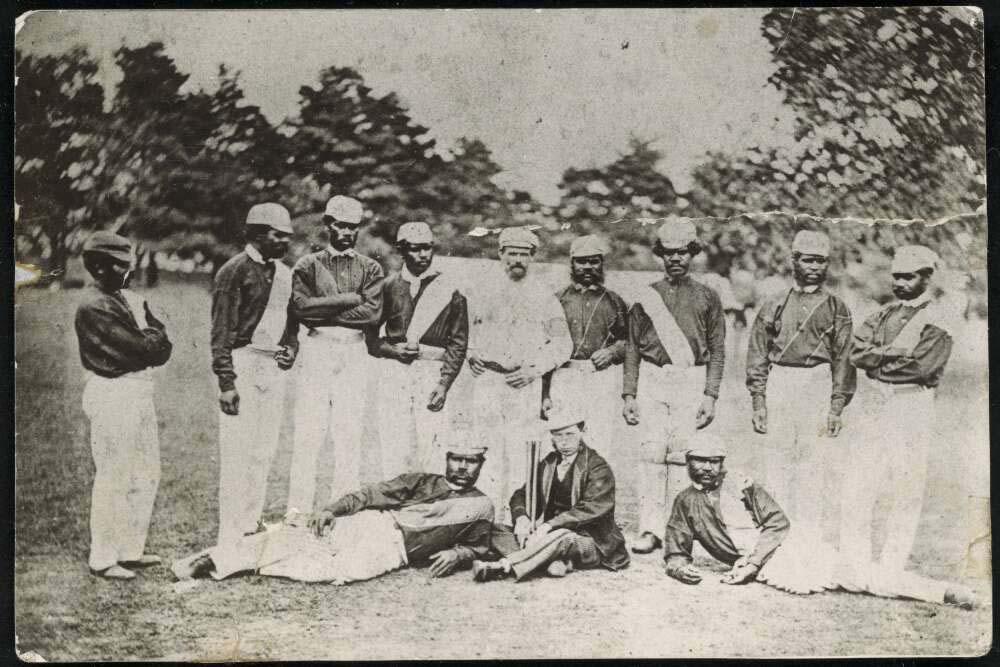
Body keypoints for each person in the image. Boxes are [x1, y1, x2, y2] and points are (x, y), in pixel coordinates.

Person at [663, 435, 976, 609]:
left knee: (858, 575)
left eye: (713, 461)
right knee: (855, 579)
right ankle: (939, 591)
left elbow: (778, 523)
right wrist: (679, 567)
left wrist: (752, 563)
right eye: (699, 461)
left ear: (722, 463)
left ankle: (941, 592)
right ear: (687, 463)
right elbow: (676, 546)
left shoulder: (742, 484)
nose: (706, 468)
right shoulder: (685, 501)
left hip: (782, 549)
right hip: (756, 562)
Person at [172, 439, 493, 584]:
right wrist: (331, 509)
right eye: (457, 458)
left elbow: (482, 544)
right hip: (373, 523)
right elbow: (371, 494)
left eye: (471, 460)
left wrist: (459, 555)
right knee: (311, 537)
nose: (462, 467)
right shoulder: (422, 481)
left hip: (394, 551)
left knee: (335, 572)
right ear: (447, 457)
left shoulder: (481, 506)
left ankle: (260, 549)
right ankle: (211, 560)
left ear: (481, 464)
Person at [840, 245, 954, 574]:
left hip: (912, 403)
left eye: (909, 277)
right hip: (876, 403)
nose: (901, 283)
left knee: (907, 485)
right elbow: (856, 353)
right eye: (897, 277)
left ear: (927, 277)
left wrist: (877, 362)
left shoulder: (938, 318)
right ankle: (854, 562)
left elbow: (920, 366)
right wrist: (890, 354)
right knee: (861, 480)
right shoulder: (883, 314)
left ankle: (891, 565)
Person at [622, 219, 726, 554]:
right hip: (654, 377)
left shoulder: (708, 296)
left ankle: (679, 529)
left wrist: (710, 395)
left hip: (690, 379)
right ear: (660, 255)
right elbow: (633, 347)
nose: (675, 259)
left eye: (682, 252)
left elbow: (718, 348)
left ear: (692, 254)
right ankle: (650, 528)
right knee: (651, 455)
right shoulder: (646, 297)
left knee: (683, 457)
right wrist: (629, 394)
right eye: (669, 253)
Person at [74, 231, 173, 579]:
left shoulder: (128, 298)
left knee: (146, 471)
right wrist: (151, 339)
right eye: (119, 266)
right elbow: (144, 349)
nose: (128, 272)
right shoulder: (94, 306)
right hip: (113, 390)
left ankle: (130, 549)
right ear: (99, 268)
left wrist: (151, 339)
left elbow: (163, 345)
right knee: (114, 472)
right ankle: (103, 557)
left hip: (139, 388)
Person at [280, 195, 384, 522]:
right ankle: (297, 513)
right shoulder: (308, 265)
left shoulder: (370, 267)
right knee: (309, 433)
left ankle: (341, 513)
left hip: (353, 349)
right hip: (318, 347)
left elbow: (372, 314)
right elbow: (301, 309)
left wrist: (327, 309)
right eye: (340, 225)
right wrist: (350, 299)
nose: (346, 232)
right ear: (328, 226)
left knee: (348, 433)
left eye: (352, 226)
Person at [744, 230, 856, 534]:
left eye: (821, 261)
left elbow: (844, 359)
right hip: (781, 381)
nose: (815, 267)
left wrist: (836, 406)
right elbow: (758, 354)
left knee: (813, 460)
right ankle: (776, 532)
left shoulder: (837, 308)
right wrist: (759, 401)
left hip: (817, 383)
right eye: (808, 260)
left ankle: (807, 535)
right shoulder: (774, 303)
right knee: (777, 458)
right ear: (794, 261)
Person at [466, 226, 572, 524]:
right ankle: (485, 517)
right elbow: (468, 332)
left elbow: (563, 343)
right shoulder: (483, 290)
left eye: (524, 254)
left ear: (532, 257)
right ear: (500, 254)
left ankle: (518, 518)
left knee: (520, 448)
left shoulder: (544, 296)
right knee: (485, 444)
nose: (517, 260)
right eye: (511, 253)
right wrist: (470, 355)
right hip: (488, 379)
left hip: (524, 382)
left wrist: (533, 370)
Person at [210, 203, 295, 546]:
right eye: (277, 235)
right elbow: (221, 332)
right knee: (237, 452)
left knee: (264, 450)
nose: (284, 242)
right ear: (257, 235)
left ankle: (250, 522)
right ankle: (230, 531)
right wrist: (227, 383)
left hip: (272, 366)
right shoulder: (233, 271)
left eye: (287, 236)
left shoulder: (285, 274)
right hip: (242, 363)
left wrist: (291, 349)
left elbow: (291, 324)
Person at [472, 409, 629, 581]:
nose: (564, 442)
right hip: (548, 537)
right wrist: (521, 518)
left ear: (582, 432)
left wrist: (548, 526)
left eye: (570, 434)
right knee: (494, 529)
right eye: (558, 435)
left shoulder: (597, 466)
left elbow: (591, 508)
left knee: (561, 536)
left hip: (591, 541)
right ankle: (548, 561)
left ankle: (504, 566)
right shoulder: (550, 462)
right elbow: (522, 494)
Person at [367, 222, 469, 476]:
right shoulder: (388, 286)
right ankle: (392, 497)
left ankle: (429, 502)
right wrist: (394, 352)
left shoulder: (451, 289)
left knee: (433, 439)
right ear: (402, 251)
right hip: (395, 370)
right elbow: (370, 338)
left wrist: (445, 383)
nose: (423, 255)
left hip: (431, 371)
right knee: (393, 439)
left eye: (427, 248)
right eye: (415, 249)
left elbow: (458, 341)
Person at [541, 234, 628, 470]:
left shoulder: (614, 301)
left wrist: (612, 352)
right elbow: (544, 347)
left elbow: (629, 340)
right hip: (563, 377)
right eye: (581, 261)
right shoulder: (556, 300)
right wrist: (545, 393)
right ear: (572, 263)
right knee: (562, 437)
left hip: (599, 378)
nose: (588, 267)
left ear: (601, 263)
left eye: (594, 261)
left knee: (599, 438)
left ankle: (594, 496)